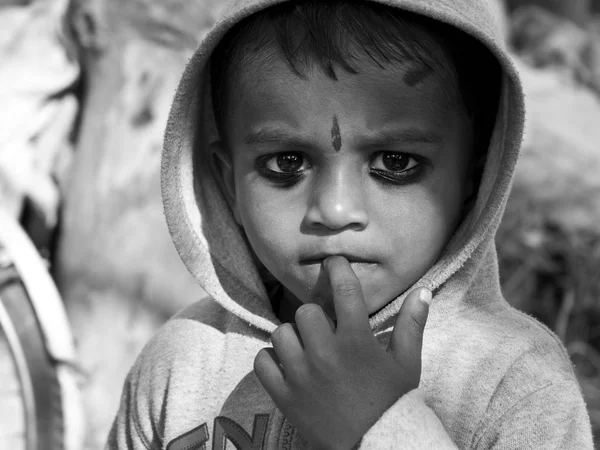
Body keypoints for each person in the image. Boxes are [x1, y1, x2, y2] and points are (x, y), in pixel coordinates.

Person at [106, 0, 594, 448]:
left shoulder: (512, 382)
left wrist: (383, 426)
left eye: (397, 163)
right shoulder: (179, 363)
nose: (335, 210)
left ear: (475, 176)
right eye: (287, 162)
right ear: (228, 181)